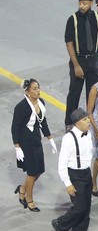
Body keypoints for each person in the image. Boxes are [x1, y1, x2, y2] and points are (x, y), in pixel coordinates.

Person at [11, 78, 56, 213]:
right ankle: (29, 199)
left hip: (36, 140)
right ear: (27, 91)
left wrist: (50, 138)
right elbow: (15, 127)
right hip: (25, 143)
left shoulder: (41, 102)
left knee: (39, 170)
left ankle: (22, 188)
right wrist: (17, 146)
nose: (38, 91)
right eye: (34, 89)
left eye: (38, 88)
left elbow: (43, 122)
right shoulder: (21, 107)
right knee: (32, 173)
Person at [52, 109, 96, 231]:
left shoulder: (88, 134)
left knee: (86, 206)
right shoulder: (69, 138)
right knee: (79, 207)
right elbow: (62, 163)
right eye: (85, 120)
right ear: (77, 123)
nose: (89, 121)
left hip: (86, 172)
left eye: (88, 118)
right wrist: (68, 183)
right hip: (75, 175)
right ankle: (60, 223)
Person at [64, 0, 98, 130]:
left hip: (94, 59)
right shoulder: (73, 20)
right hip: (79, 59)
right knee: (74, 93)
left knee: (92, 94)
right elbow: (69, 43)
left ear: (91, 4)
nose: (81, 6)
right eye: (80, 3)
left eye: (84, 3)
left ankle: (90, 121)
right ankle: (70, 122)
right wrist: (76, 65)